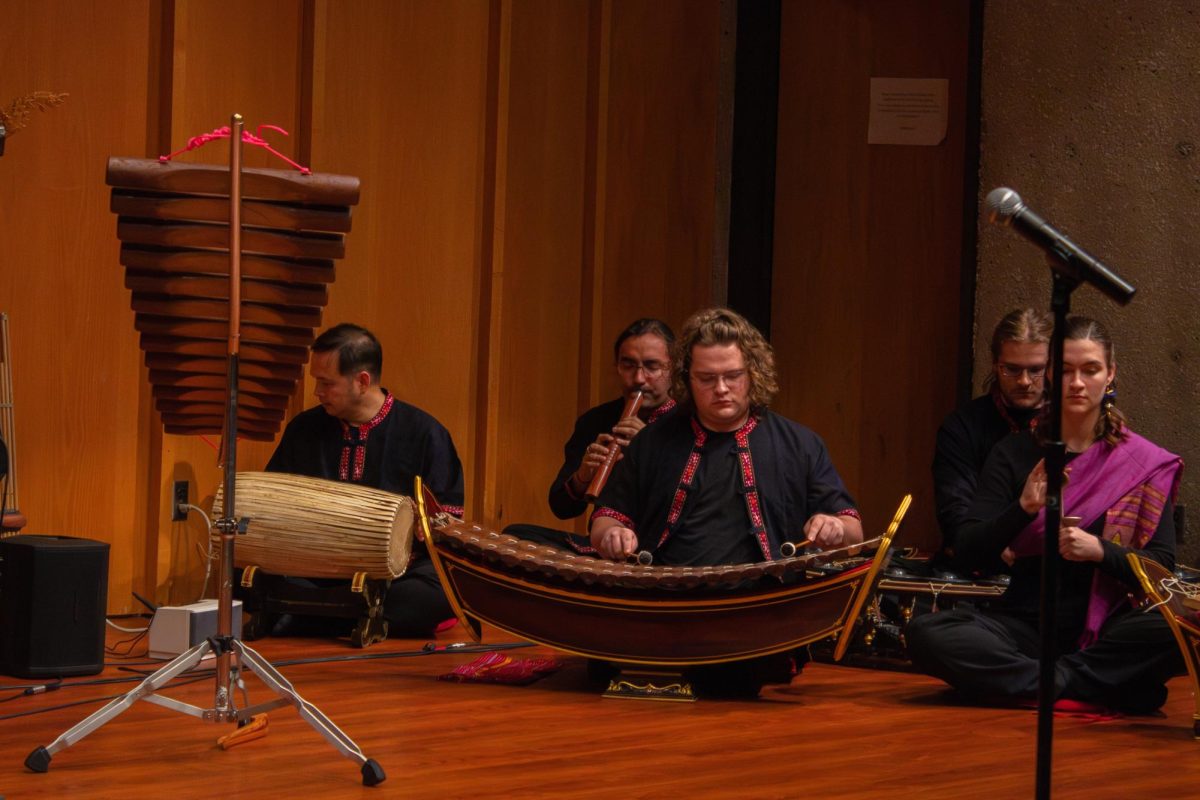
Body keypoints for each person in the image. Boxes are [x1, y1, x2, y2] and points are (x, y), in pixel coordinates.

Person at [906, 316, 1184, 713]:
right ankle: (1093, 686)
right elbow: (966, 550)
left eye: (1090, 370)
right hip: (1025, 625)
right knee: (926, 632)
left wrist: (1100, 551)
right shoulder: (1016, 453)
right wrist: (1022, 509)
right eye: (1066, 370)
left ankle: (1032, 683)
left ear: (1110, 375)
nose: (1076, 382)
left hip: (1111, 628)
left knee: (1178, 628)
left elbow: (1163, 568)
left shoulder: (1143, 462)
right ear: (1052, 375)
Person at [590, 307, 863, 566]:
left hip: (768, 603)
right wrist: (612, 535)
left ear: (754, 373)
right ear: (687, 379)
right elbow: (606, 518)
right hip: (668, 600)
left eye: (733, 376)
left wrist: (836, 527)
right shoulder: (652, 441)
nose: (721, 388)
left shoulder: (800, 444)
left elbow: (854, 532)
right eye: (707, 378)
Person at [265, 323, 466, 636]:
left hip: (396, 577)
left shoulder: (426, 433)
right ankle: (356, 614)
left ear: (362, 381)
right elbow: (273, 498)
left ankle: (317, 615)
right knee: (247, 577)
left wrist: (424, 526)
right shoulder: (303, 429)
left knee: (438, 590)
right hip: (315, 571)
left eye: (326, 383)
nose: (316, 392)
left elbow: (447, 520)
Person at [931, 308, 1051, 572]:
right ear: (995, 364)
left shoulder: (1066, 427)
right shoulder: (963, 426)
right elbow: (955, 515)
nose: (1024, 381)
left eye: (1036, 370)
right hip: (978, 563)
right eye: (1012, 369)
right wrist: (993, 542)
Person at [548, 318, 677, 521]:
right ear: (617, 366)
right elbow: (561, 509)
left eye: (652, 366)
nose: (639, 379)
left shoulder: (691, 422)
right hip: (601, 542)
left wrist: (647, 449)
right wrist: (582, 478)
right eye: (628, 365)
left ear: (673, 368)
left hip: (660, 545)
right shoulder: (595, 420)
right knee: (518, 534)